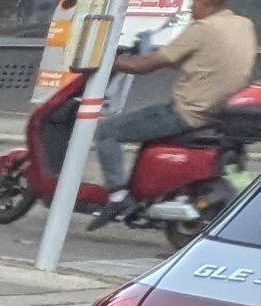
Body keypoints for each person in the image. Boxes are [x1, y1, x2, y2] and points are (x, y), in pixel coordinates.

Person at [93, 0, 249, 199]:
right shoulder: (243, 25)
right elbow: (204, 60)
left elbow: (144, 67)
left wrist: (105, 60)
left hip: (187, 113)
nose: (191, 8)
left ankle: (117, 196)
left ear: (206, 4)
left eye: (194, 4)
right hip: (220, 113)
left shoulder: (202, 29)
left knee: (107, 132)